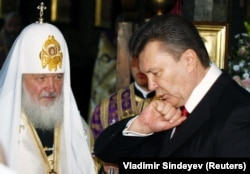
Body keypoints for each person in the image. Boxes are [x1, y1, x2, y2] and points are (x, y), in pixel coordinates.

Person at [94, 13, 250, 164]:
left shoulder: (240, 115)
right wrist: (142, 126)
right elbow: (106, 152)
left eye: (155, 73)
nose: (150, 85)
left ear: (189, 60)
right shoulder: (169, 108)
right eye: (146, 76)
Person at [0, 3, 96, 174]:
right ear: (20, 78)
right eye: (41, 78)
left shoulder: (79, 131)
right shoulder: (3, 124)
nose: (51, 88)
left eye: (58, 77)